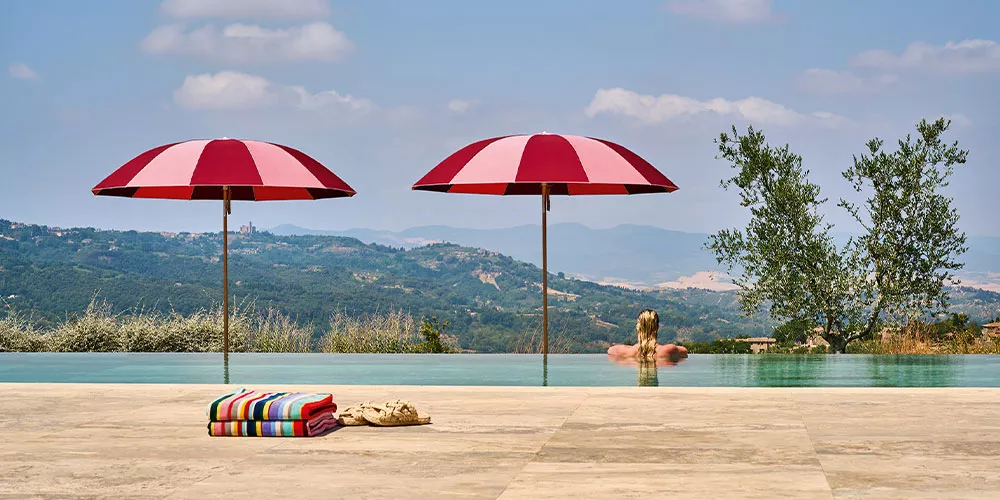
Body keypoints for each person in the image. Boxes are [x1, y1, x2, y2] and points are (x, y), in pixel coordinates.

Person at [607, 309, 689, 361]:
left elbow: (610, 350)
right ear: (657, 327)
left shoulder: (630, 351)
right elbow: (685, 351)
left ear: (638, 327)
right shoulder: (667, 350)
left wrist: (629, 347)